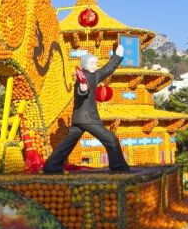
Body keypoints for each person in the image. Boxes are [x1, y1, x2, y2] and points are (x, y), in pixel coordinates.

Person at [42, 44, 131, 174]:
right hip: (88, 118)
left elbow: (107, 69)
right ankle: (118, 166)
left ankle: (51, 166)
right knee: (111, 139)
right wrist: (82, 89)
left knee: (68, 143)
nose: (94, 65)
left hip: (79, 118)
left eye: (95, 63)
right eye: (91, 63)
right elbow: (81, 91)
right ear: (84, 65)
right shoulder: (83, 78)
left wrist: (117, 56)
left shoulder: (94, 75)